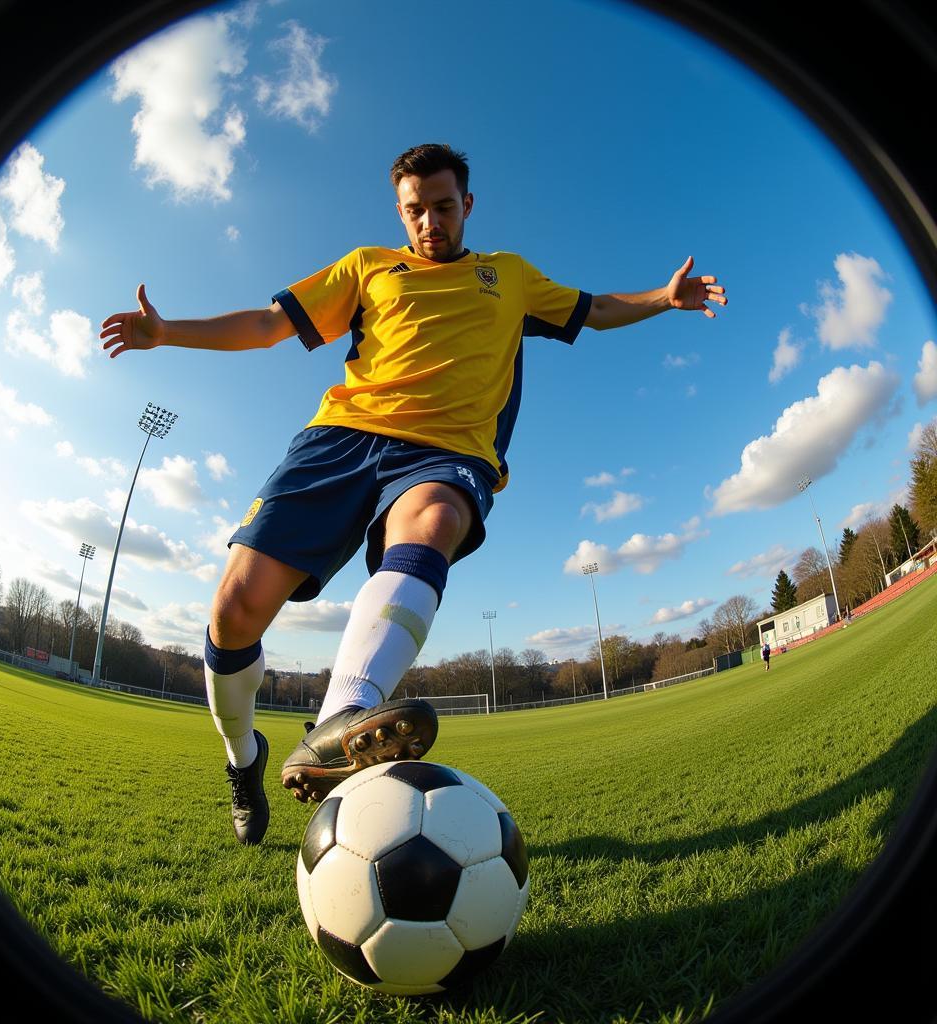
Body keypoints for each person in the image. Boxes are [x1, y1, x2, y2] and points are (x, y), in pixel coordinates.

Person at [100, 143, 727, 845]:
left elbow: (592, 309)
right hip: (340, 439)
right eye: (415, 210)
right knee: (235, 610)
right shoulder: (367, 266)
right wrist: (168, 333)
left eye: (443, 206)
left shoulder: (509, 277)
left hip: (446, 451)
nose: (429, 222)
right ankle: (244, 762)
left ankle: (341, 721)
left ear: (468, 205)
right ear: (400, 212)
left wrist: (662, 299)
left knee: (433, 522)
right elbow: (270, 324)